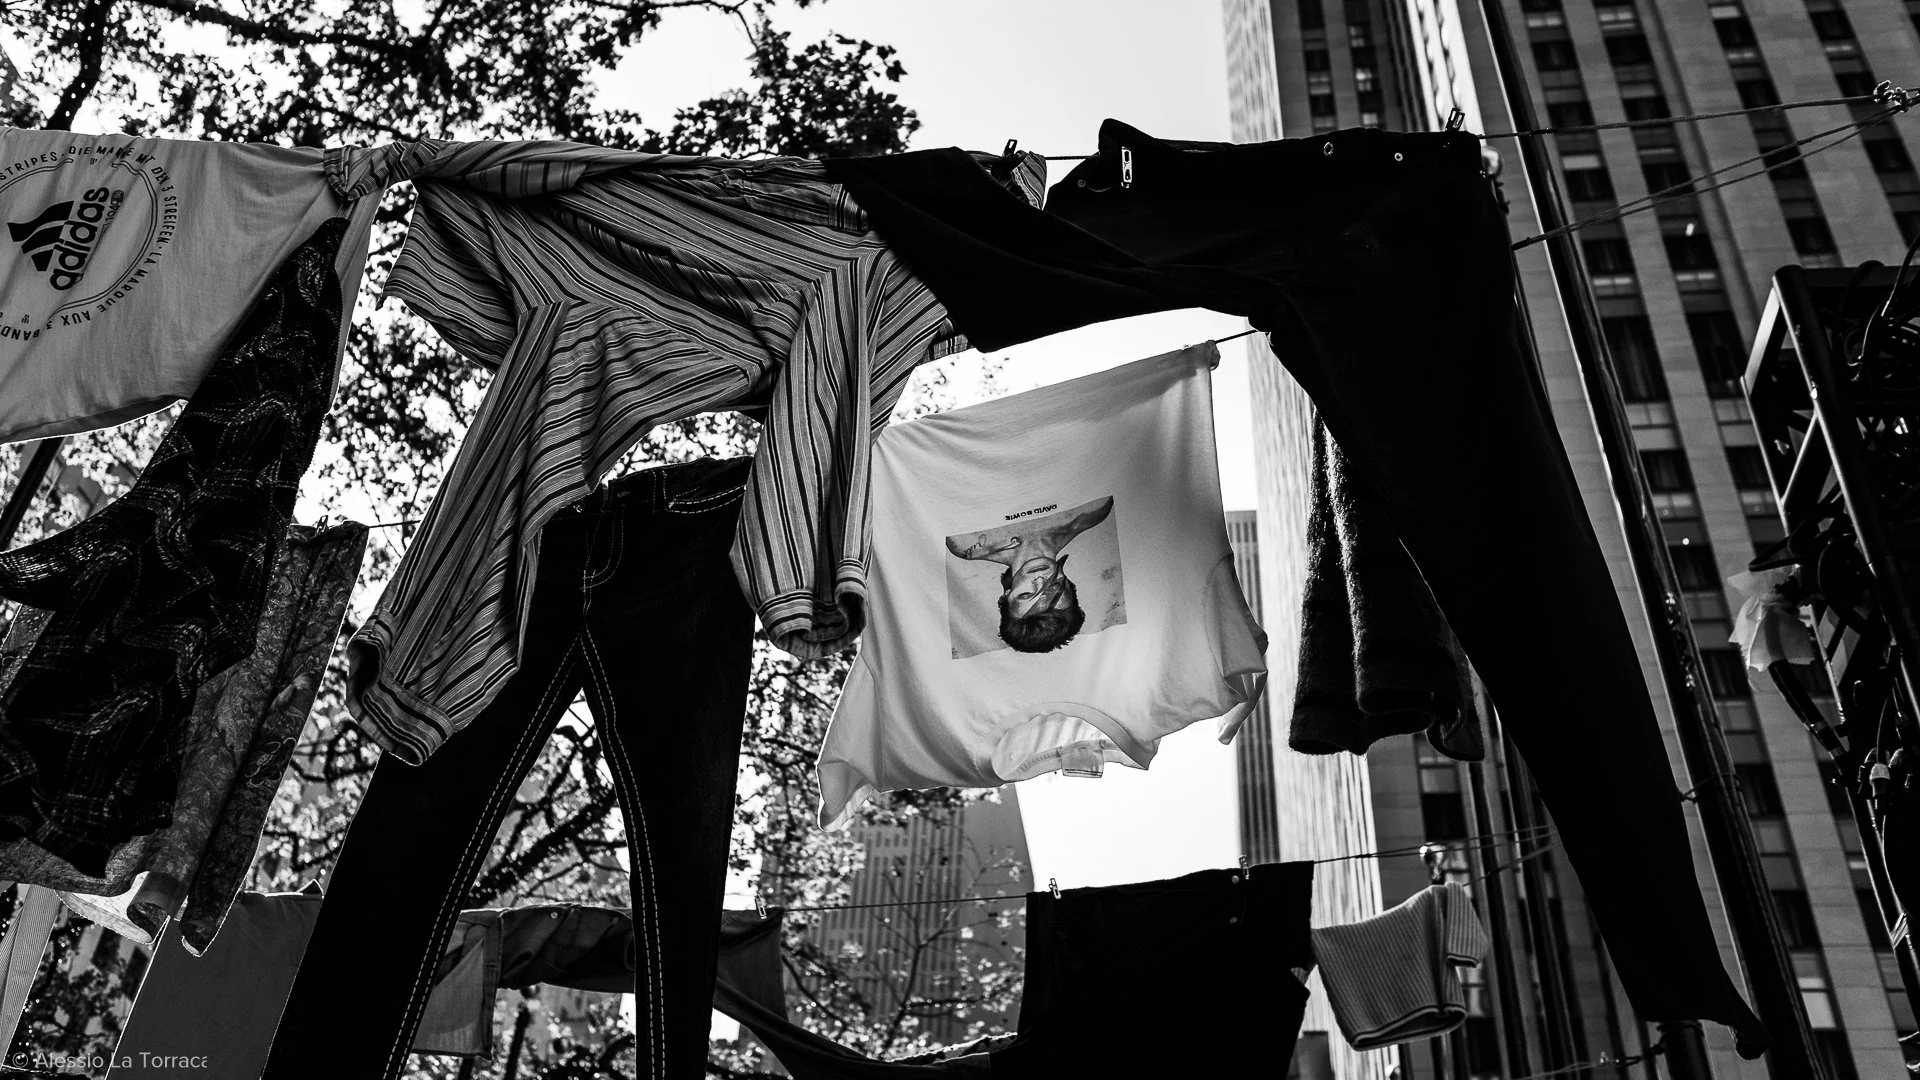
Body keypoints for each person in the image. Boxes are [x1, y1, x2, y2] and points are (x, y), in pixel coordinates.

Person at [945, 495, 1114, 653]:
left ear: (1007, 595)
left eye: (1026, 595)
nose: (1039, 580)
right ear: (1069, 584)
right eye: (1053, 585)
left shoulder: (964, 542)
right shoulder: (1093, 509)